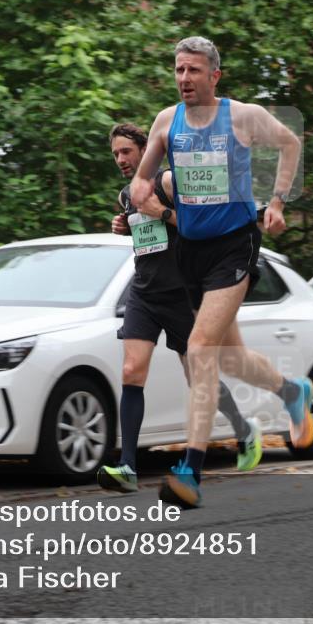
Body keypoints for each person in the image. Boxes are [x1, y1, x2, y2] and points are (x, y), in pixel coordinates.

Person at [130, 36, 313, 508]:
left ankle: (190, 469)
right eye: (178, 70)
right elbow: (142, 177)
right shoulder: (166, 122)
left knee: (200, 348)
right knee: (231, 358)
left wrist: (277, 202)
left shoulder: (244, 116)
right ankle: (292, 391)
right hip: (191, 250)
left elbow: (291, 143)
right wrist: (141, 193)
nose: (184, 79)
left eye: (193, 71)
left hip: (236, 244)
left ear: (215, 75)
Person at [97, 123, 262, 494]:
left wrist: (162, 213)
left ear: (145, 151)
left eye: (126, 152)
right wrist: (125, 226)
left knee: (197, 378)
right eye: (115, 155)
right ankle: (127, 467)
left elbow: (205, 224)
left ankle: (243, 429)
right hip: (144, 293)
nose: (120, 160)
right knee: (131, 370)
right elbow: (146, 238)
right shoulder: (126, 195)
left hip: (183, 294)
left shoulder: (171, 182)